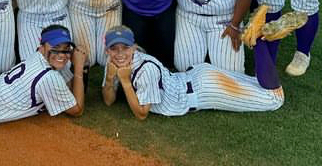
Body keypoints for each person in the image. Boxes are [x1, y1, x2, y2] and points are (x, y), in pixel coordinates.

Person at [101, 25, 284, 119]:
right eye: (114, 48)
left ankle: (259, 40)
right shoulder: (113, 63)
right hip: (197, 78)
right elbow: (109, 102)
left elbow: (142, 114)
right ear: (107, 50)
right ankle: (260, 37)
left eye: (124, 47)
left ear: (133, 48)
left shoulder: (145, 69)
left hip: (205, 90)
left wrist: (124, 82)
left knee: (274, 98)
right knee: (254, 82)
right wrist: (110, 78)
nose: (119, 54)